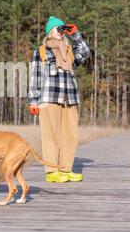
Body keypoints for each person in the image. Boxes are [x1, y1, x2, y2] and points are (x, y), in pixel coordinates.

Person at [28, 16, 91, 183]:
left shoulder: (69, 50)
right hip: (49, 98)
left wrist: (76, 35)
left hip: (69, 97)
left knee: (69, 135)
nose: (61, 31)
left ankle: (65, 169)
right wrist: (33, 100)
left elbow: (85, 54)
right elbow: (35, 77)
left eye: (63, 28)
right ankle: (52, 171)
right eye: (58, 28)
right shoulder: (41, 51)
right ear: (50, 31)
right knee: (50, 136)